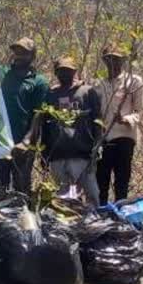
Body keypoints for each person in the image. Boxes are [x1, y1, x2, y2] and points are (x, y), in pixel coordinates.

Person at [34, 57, 102, 206]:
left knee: (92, 194)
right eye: (61, 71)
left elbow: (97, 122)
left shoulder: (87, 91)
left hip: (83, 154)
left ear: (75, 72)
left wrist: (97, 147)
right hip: (57, 155)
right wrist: (44, 153)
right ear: (56, 73)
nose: (65, 74)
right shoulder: (50, 94)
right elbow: (44, 126)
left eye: (68, 71)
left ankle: (94, 224)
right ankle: (69, 227)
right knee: (64, 198)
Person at [0, 38, 49, 193]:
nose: (19, 55)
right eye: (17, 51)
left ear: (33, 56)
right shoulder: (0, 73)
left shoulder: (39, 82)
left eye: (24, 52)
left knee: (21, 190)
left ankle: (23, 217)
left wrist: (27, 141)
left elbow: (39, 114)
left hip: (23, 145)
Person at [94, 46, 143, 205]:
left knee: (122, 181)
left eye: (116, 59)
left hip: (124, 137)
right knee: (101, 181)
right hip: (103, 139)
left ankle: (120, 214)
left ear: (123, 61)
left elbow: (140, 111)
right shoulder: (98, 84)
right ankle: (102, 215)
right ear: (104, 60)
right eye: (109, 58)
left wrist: (125, 118)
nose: (112, 62)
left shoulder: (133, 81)